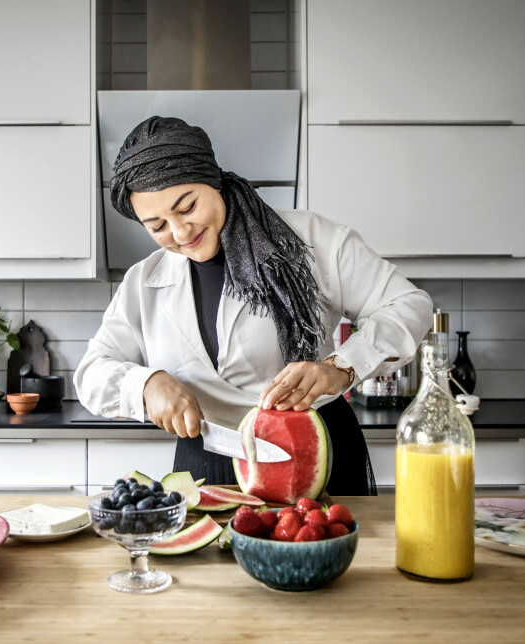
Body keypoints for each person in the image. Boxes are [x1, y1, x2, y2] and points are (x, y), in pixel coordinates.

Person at [74, 117, 433, 495]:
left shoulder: (313, 240)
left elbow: (409, 305)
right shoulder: (142, 282)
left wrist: (341, 367)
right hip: (205, 463)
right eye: (157, 225)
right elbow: (92, 373)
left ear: (214, 181)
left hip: (315, 453)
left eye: (188, 207)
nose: (180, 233)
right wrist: (145, 384)